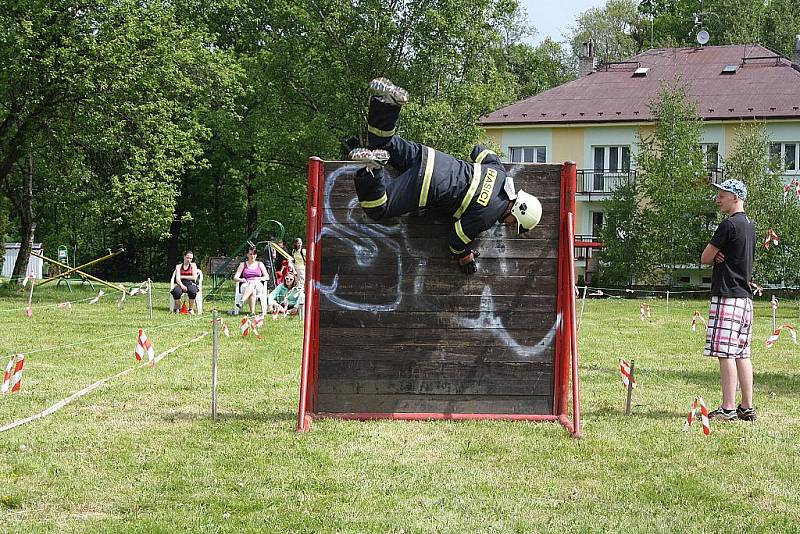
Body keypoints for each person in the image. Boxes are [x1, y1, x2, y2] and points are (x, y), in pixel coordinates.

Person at [348, 77, 543, 275]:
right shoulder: (488, 217)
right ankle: (373, 169)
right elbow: (455, 241)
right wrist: (464, 255)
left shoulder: (500, 173)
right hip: (428, 183)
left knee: (381, 143)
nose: (510, 227)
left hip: (428, 155)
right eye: (514, 224)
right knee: (378, 208)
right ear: (517, 211)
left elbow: (479, 150)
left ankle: (388, 102)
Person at [700, 178, 757, 422]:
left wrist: (715, 256)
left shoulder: (728, 225)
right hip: (745, 299)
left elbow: (705, 257)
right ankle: (747, 406)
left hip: (727, 296)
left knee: (726, 354)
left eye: (722, 195)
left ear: (735, 197)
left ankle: (728, 408)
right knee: (743, 354)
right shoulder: (750, 225)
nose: (718, 198)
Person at [230, 246, 270, 315]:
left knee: (253, 283)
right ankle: (252, 313)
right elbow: (235, 277)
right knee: (252, 290)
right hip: (246, 284)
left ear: (256, 255)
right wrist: (241, 280)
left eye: (254, 254)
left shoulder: (260, 264)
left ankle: (242, 301)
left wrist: (258, 278)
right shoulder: (243, 264)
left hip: (258, 284)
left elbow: (267, 277)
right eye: (251, 254)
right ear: (247, 255)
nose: (252, 256)